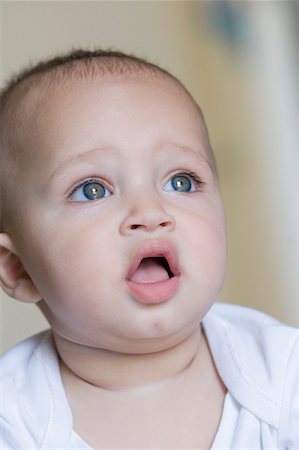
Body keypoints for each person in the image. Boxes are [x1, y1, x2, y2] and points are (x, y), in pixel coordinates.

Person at [0, 49, 298, 450]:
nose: (150, 213)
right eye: (92, 190)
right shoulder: (14, 419)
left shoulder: (283, 374)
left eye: (181, 181)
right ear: (18, 268)